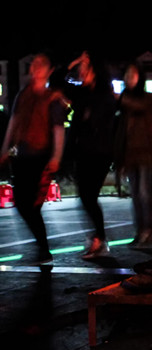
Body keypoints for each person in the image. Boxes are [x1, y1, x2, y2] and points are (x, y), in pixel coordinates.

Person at [0, 52, 68, 266]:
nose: (36, 68)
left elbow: (59, 129)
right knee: (20, 203)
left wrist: (56, 156)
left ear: (48, 71)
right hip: (22, 156)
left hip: (42, 156)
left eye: (41, 65)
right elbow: (13, 122)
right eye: (34, 65)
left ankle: (44, 249)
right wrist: (5, 149)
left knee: (33, 205)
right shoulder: (23, 95)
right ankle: (42, 247)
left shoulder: (52, 97)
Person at [63, 51, 117, 258]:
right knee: (85, 197)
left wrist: (88, 119)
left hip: (100, 151)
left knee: (88, 196)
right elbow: (58, 80)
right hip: (82, 150)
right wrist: (75, 62)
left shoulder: (105, 94)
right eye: (81, 70)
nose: (81, 73)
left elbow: (103, 121)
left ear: (95, 72)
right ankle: (99, 238)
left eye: (85, 69)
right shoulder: (80, 93)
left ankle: (99, 240)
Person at [114, 63, 152, 246]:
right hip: (130, 154)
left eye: (133, 74)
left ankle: (151, 229)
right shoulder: (123, 103)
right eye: (127, 74)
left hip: (145, 153)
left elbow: (139, 106)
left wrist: (120, 98)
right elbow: (120, 130)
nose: (129, 77)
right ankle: (140, 231)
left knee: (144, 192)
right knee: (135, 195)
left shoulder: (146, 98)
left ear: (140, 77)